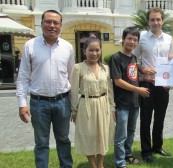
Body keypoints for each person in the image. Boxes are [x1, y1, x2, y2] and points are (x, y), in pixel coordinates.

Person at [16, 10, 74, 167]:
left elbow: (71, 77)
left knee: (63, 139)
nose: (52, 25)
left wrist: (74, 105)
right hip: (39, 103)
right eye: (48, 22)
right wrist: (22, 104)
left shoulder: (67, 47)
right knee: (41, 142)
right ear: (41, 24)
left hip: (63, 102)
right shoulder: (30, 46)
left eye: (56, 22)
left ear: (61, 25)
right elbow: (22, 77)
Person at [133, 7, 173, 163]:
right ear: (148, 21)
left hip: (163, 85)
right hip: (147, 84)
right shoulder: (142, 37)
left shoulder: (169, 38)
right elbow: (134, 59)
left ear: (162, 20)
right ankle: (146, 150)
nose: (155, 22)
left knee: (160, 118)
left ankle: (158, 146)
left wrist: (172, 57)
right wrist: (142, 69)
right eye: (152, 19)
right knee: (145, 118)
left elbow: (172, 59)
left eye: (158, 19)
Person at [70, 35, 115, 168]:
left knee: (103, 135)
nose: (94, 53)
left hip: (103, 104)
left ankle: (100, 164)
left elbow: (110, 89)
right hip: (86, 106)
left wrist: (112, 107)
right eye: (91, 50)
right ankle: (93, 165)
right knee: (88, 135)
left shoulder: (105, 68)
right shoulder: (78, 68)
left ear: (101, 51)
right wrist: (74, 110)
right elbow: (73, 91)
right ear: (85, 51)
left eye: (97, 50)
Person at [110, 27, 150, 168]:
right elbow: (118, 81)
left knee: (131, 132)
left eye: (135, 39)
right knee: (121, 136)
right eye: (129, 38)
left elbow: (132, 76)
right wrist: (137, 89)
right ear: (123, 39)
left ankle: (128, 155)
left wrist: (145, 77)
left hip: (134, 103)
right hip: (122, 104)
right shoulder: (115, 58)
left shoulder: (133, 58)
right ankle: (120, 163)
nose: (132, 42)